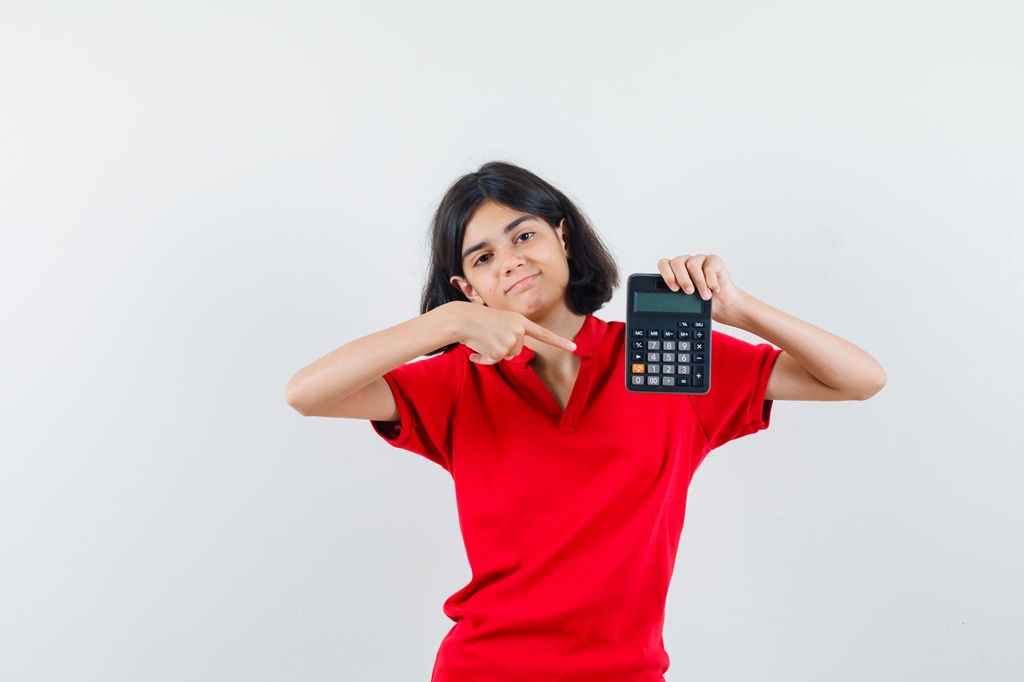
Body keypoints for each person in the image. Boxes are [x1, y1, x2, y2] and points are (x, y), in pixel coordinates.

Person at [285, 161, 886, 682]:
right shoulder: (459, 383)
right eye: (484, 258)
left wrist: (739, 308)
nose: (511, 261)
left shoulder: (664, 359)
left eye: (524, 235)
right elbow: (306, 394)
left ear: (563, 237)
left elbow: (859, 379)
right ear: (468, 287)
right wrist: (446, 324)